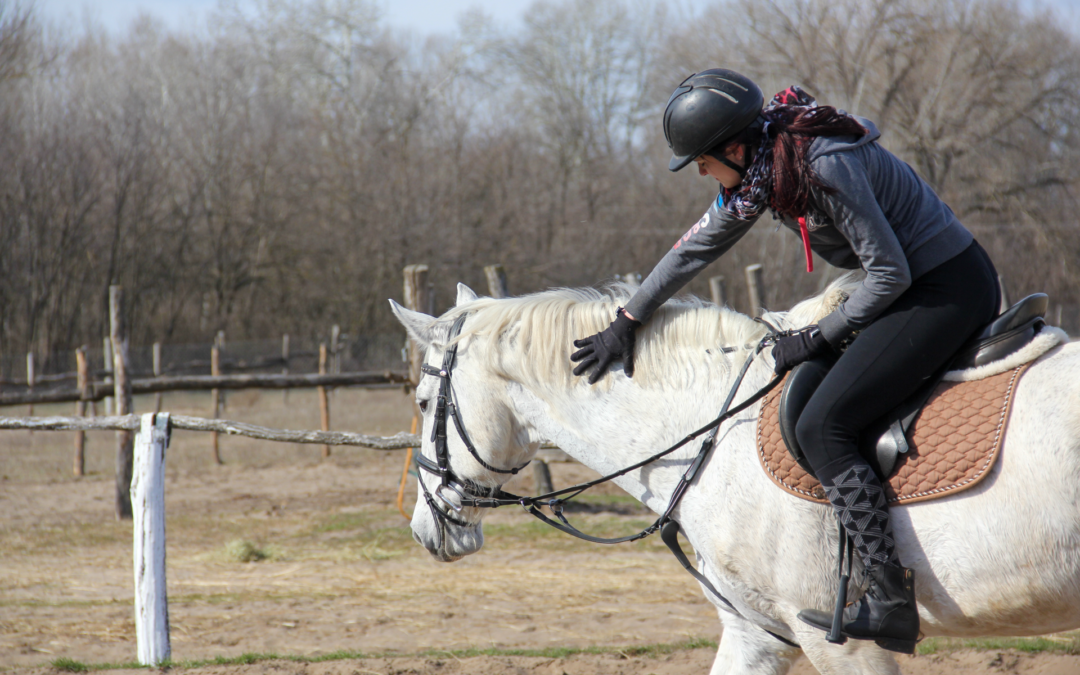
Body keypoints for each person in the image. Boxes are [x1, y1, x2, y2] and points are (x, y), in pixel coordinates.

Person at [569, 68, 1001, 653]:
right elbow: (694, 247)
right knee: (801, 402)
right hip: (906, 287)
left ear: (734, 147)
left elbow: (890, 272)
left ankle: (891, 600)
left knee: (826, 424)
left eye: (701, 159)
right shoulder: (766, 171)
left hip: (942, 287)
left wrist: (818, 335)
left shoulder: (820, 168)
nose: (700, 171)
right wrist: (628, 320)